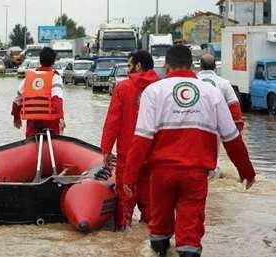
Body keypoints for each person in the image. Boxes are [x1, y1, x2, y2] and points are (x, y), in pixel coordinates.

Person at [121, 45, 256, 257]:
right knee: (190, 232)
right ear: (192, 65)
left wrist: (129, 177)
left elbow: (141, 139)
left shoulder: (154, 91)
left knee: (159, 226)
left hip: (161, 175)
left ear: (166, 65)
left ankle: (159, 251)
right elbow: (232, 138)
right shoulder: (212, 92)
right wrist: (246, 171)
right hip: (196, 175)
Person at [100, 50, 159, 230]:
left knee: (125, 205)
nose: (128, 69)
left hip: (128, 154)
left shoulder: (123, 88)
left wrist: (106, 149)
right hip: (154, 155)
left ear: (138, 66)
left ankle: (123, 240)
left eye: (129, 65)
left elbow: (113, 121)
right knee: (151, 206)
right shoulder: (161, 87)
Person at [197, 53, 245, 178]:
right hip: (215, 127)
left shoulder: (193, 81)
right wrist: (236, 130)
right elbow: (234, 107)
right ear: (215, 67)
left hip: (192, 124)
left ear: (200, 66)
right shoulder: (224, 83)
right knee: (213, 156)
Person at [11, 47, 65, 138]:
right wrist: (61, 117)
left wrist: (16, 118)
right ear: (53, 62)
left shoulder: (29, 78)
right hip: (51, 123)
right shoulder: (55, 77)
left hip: (33, 123)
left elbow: (17, 100)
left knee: (31, 141)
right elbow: (57, 99)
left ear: (40, 60)